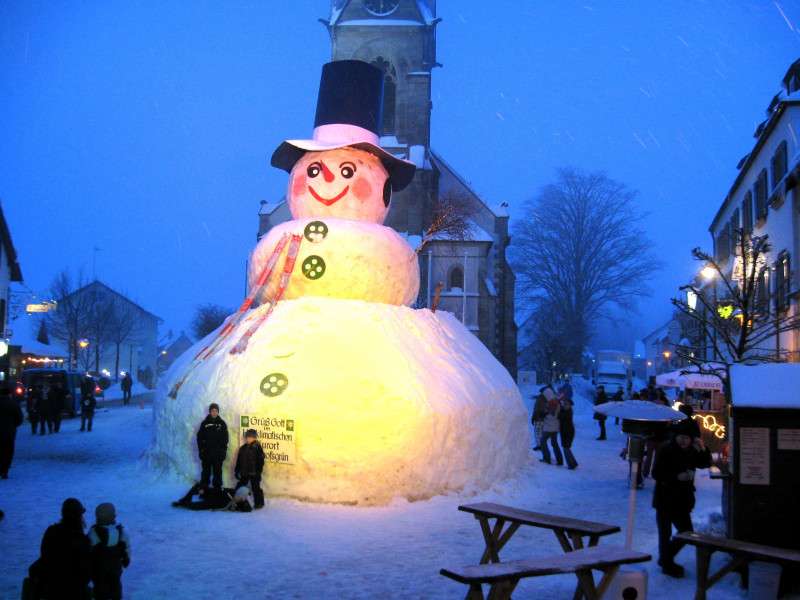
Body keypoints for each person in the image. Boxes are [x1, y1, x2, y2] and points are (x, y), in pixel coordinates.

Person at [651, 418, 712, 578]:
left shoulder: (693, 450)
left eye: (687, 438)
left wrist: (703, 449)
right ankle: (667, 564)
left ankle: (665, 559)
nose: (684, 440)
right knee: (664, 534)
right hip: (664, 498)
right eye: (681, 437)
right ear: (675, 436)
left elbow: (705, 464)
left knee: (686, 532)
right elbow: (656, 473)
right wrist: (677, 477)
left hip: (683, 500)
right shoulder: (665, 449)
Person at [32, 498, 92, 599]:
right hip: (73, 590)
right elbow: (86, 571)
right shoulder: (82, 540)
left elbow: (44, 556)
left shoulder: (51, 531)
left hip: (50, 587)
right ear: (79, 516)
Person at [88, 502, 131, 600]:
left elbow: (88, 550)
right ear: (113, 516)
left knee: (100, 590)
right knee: (116, 587)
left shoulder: (94, 533)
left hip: (98, 570)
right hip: (115, 567)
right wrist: (126, 558)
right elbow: (126, 546)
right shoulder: (121, 531)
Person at [197, 403, 228, 489]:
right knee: (206, 471)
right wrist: (201, 450)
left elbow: (225, 439)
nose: (214, 412)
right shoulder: (204, 423)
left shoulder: (222, 424)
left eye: (216, 411)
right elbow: (199, 438)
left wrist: (223, 451)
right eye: (212, 411)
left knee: (217, 471)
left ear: (218, 412)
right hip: (207, 453)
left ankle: (217, 488)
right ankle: (204, 487)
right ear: (210, 412)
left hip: (218, 454)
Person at [235, 428, 266, 509]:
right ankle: (236, 500)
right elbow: (239, 461)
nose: (249, 439)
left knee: (256, 488)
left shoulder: (258, 448)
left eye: (251, 437)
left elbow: (261, 461)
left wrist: (258, 472)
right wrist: (237, 470)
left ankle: (259, 503)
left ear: (255, 438)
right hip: (244, 472)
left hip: (254, 472)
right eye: (248, 437)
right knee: (240, 486)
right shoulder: (242, 448)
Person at [0, 386, 24, 478]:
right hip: (9, 432)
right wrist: (13, 425)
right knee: (8, 450)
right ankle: (5, 470)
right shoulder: (13, 404)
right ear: (9, 394)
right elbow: (19, 418)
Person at [539, 389, 563, 465]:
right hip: (555, 427)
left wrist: (544, 414)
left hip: (549, 427)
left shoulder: (552, 403)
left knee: (543, 441)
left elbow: (551, 415)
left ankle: (547, 458)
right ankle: (559, 460)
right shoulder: (556, 402)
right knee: (554, 443)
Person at [558, 391, 578, 470]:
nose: (564, 405)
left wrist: (561, 409)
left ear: (569, 405)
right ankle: (573, 463)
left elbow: (560, 417)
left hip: (568, 432)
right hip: (565, 432)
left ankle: (571, 464)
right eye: (564, 404)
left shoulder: (568, 412)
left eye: (566, 404)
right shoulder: (566, 410)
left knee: (566, 448)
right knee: (566, 448)